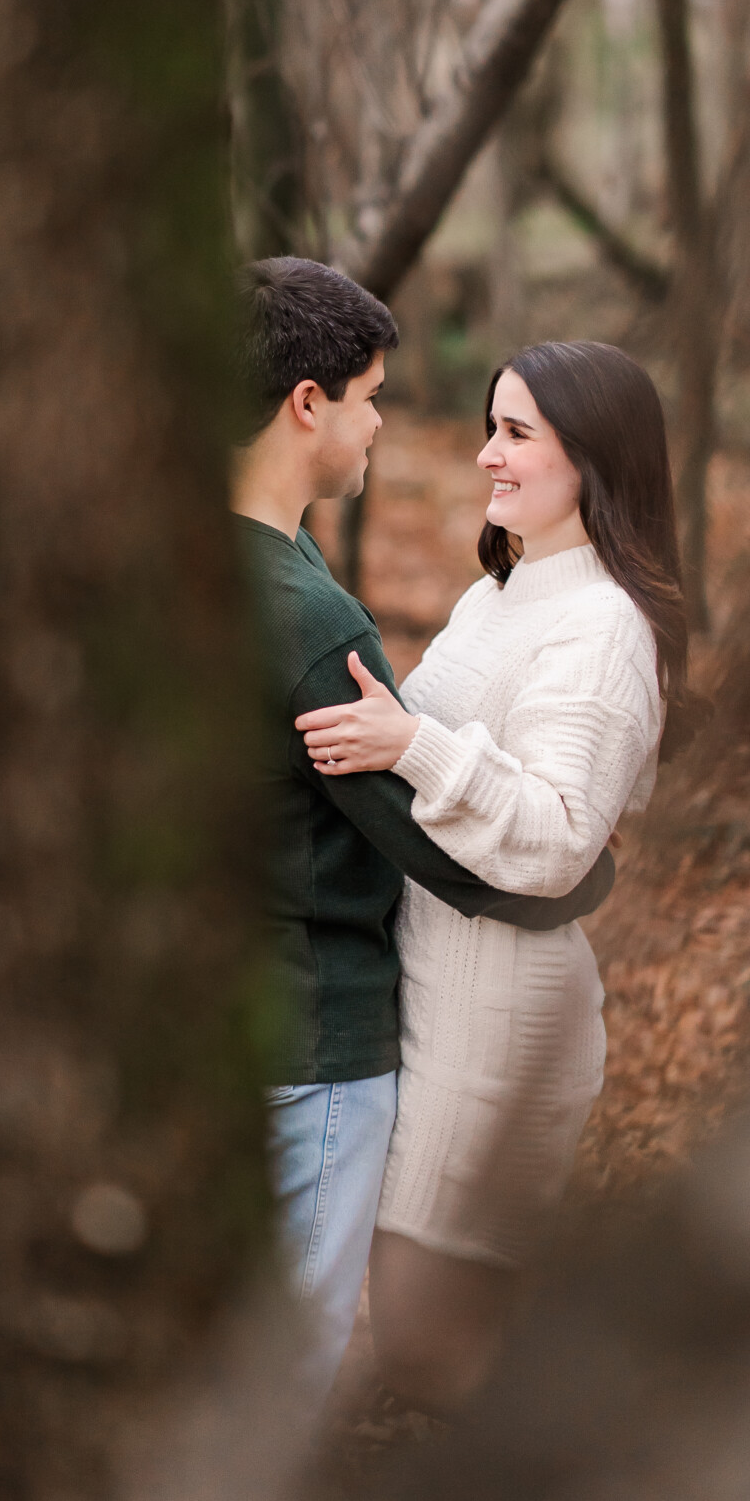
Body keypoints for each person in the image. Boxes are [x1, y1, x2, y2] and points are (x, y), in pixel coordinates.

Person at [231, 260, 617, 1406]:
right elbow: (448, 854)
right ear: (309, 403)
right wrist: (580, 876)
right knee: (281, 1374)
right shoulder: (306, 616)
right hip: (317, 1043)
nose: (380, 424)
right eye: (369, 396)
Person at [297, 339, 685, 1410]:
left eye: (517, 433)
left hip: (498, 1019)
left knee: (446, 1333)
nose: (486, 457)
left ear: (595, 459)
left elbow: (561, 835)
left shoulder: (604, 626)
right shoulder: (504, 595)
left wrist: (408, 746)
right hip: (431, 988)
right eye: (491, 427)